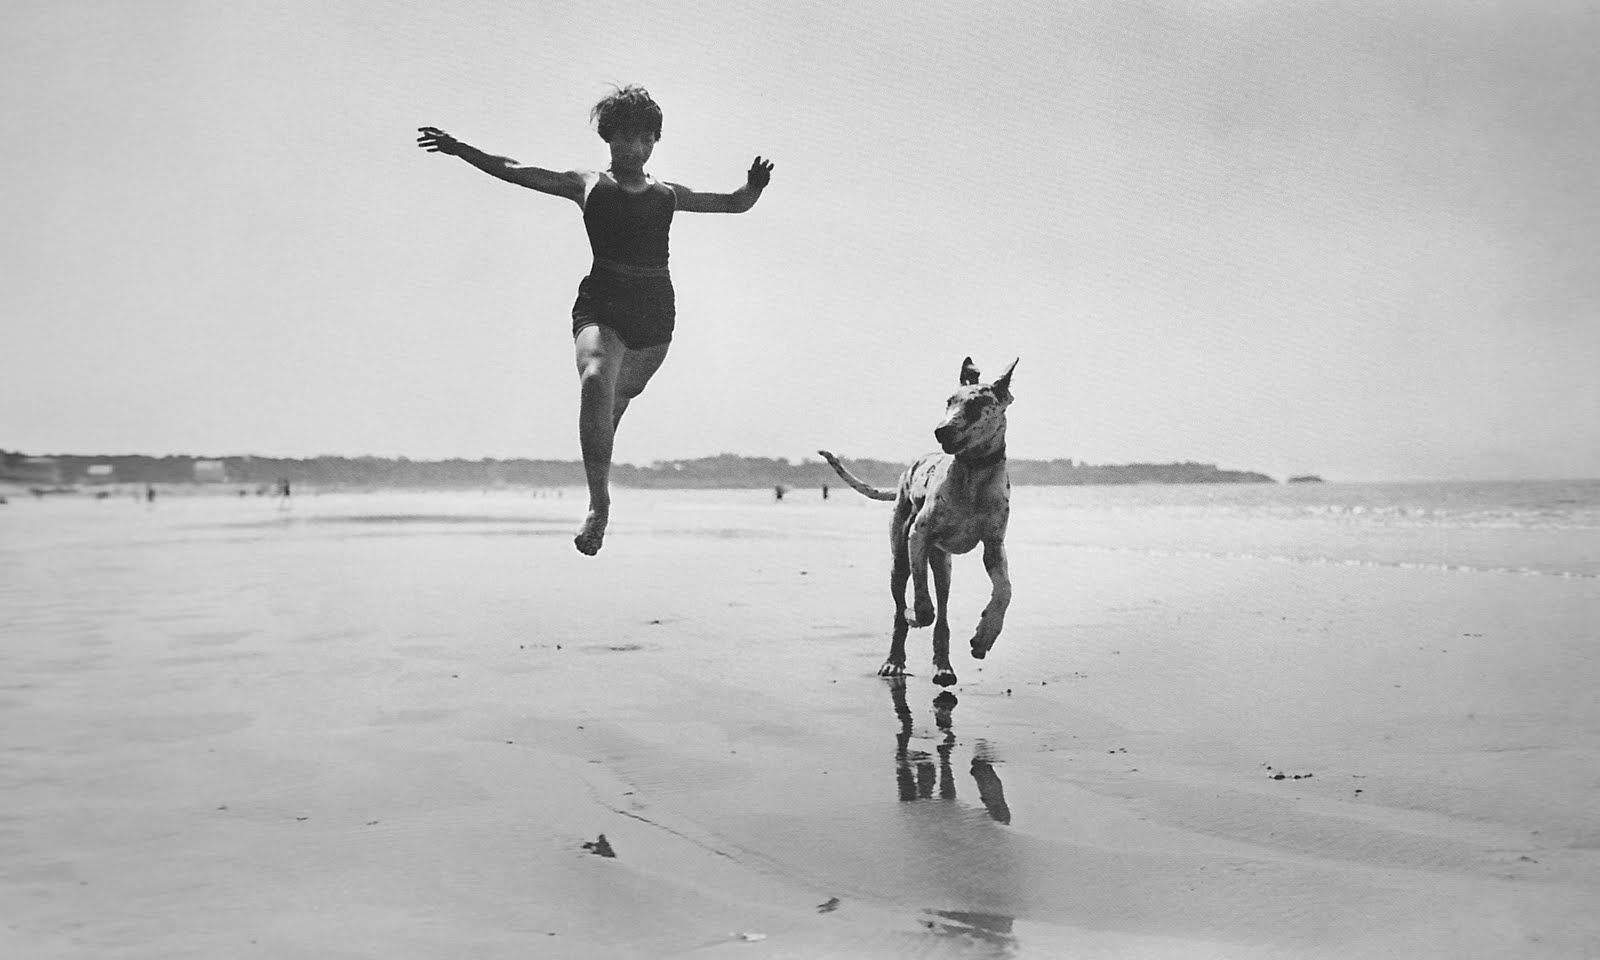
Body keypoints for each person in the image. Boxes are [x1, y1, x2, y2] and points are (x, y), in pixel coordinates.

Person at [417, 85, 773, 555]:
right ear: (609, 139)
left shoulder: (667, 194)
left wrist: (753, 188)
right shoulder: (587, 184)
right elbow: (517, 171)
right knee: (595, 380)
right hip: (601, 301)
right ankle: (598, 504)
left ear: (654, 142)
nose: (635, 148)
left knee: (616, 401)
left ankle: (600, 473)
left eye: (645, 139)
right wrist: (461, 149)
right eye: (625, 139)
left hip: (653, 311)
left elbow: (731, 203)